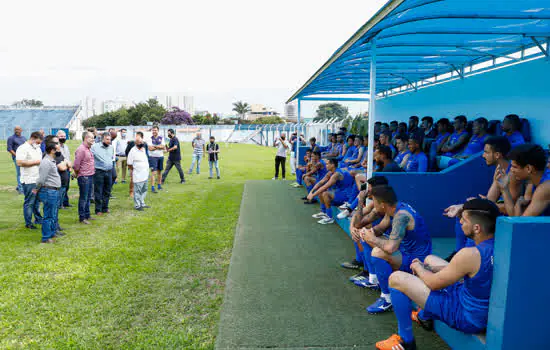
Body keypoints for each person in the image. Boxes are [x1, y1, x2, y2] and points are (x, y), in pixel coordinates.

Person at [375, 198, 498, 350]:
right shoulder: (497, 242)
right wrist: (427, 266)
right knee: (430, 259)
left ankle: (406, 342)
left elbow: (433, 283)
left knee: (396, 278)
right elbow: (465, 271)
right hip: (474, 301)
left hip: (466, 316)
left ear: (477, 228)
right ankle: (424, 316)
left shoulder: (470, 254)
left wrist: (418, 268)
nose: (460, 222)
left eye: (464, 220)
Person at [359, 185, 432, 314]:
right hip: (405, 250)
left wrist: (372, 238)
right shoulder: (393, 209)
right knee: (368, 238)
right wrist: (367, 233)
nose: (372, 204)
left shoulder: (401, 216)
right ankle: (374, 279)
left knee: (377, 252)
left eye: (374, 201)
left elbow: (391, 247)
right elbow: (380, 228)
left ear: (382, 204)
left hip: (417, 260)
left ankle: (387, 299)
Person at [443, 136, 516, 259]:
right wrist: (476, 203)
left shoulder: (512, 174)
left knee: (473, 217)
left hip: (506, 219)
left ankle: (466, 256)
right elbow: (490, 200)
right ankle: (459, 253)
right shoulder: (499, 170)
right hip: (497, 211)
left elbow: (510, 210)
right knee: (463, 212)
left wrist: (480, 203)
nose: (483, 155)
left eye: (486, 152)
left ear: (497, 154)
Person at [341, 176, 389, 290]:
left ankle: (370, 275)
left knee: (364, 232)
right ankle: (367, 271)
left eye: (369, 187)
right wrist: (352, 227)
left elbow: (362, 223)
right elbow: (356, 219)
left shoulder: (385, 204)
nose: (367, 190)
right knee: (360, 230)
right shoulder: (374, 202)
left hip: (394, 242)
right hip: (386, 238)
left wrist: (361, 200)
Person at [498, 143, 550, 216]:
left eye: (514, 167)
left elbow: (521, 223)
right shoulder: (532, 182)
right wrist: (504, 189)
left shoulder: (545, 188)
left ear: (529, 168)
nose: (511, 170)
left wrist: (518, 204)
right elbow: (515, 217)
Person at [307, 158, 357, 224]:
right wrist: (311, 191)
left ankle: (329, 217)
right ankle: (323, 212)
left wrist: (313, 195)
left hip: (346, 196)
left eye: (327, 164)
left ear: (332, 165)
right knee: (321, 192)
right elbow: (321, 182)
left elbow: (326, 186)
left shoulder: (337, 174)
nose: (326, 165)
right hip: (339, 193)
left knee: (325, 193)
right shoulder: (330, 172)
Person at [35, 142, 62, 244]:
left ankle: (51, 234)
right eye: (58, 150)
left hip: (53, 191)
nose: (59, 152)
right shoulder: (46, 162)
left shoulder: (51, 161)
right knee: (48, 215)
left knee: (52, 214)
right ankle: (46, 237)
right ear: (52, 151)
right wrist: (36, 189)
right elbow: (41, 179)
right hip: (49, 191)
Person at [16, 131, 44, 229]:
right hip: (29, 180)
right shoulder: (23, 148)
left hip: (37, 178)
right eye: (38, 142)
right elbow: (19, 162)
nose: (39, 144)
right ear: (32, 138)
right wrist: (36, 162)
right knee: (30, 202)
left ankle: (38, 219)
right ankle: (28, 223)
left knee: (37, 201)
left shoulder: (37, 148)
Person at [46, 135, 70, 234]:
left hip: (62, 184)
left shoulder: (58, 154)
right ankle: (53, 229)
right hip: (54, 186)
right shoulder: (50, 156)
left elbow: (69, 163)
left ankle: (56, 226)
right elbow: (62, 167)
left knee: (56, 208)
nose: (59, 144)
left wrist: (66, 163)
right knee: (53, 209)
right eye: (56, 143)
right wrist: (65, 164)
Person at [73, 131, 96, 225]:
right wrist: (78, 173)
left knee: (88, 197)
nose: (93, 139)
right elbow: (76, 165)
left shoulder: (88, 149)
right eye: (91, 137)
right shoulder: (81, 149)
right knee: (83, 197)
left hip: (90, 175)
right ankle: (82, 217)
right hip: (84, 177)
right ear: (86, 138)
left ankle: (87, 214)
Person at [91, 132, 113, 216]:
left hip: (109, 171)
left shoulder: (111, 148)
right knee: (98, 191)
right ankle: (98, 209)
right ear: (102, 139)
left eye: (110, 139)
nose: (109, 141)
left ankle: (105, 208)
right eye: (107, 139)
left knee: (107, 190)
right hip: (99, 171)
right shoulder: (95, 147)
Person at [127, 132, 150, 211]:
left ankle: (142, 203)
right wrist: (136, 169)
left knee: (144, 189)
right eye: (140, 142)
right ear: (136, 143)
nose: (141, 143)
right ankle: (137, 205)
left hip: (145, 174)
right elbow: (129, 164)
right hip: (138, 174)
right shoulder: (132, 151)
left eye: (142, 142)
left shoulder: (143, 149)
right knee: (137, 191)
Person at [7, 125, 26, 194]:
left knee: (24, 173)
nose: (17, 131)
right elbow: (9, 149)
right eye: (15, 129)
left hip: (25, 158)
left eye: (18, 129)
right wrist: (17, 156)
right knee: (19, 173)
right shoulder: (11, 138)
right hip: (17, 158)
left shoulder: (24, 138)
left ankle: (19, 187)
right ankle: (21, 190)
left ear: (21, 130)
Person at [57, 130, 72, 208]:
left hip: (67, 168)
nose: (63, 138)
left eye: (64, 136)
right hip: (61, 169)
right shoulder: (57, 147)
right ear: (57, 137)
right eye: (61, 136)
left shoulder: (65, 146)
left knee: (66, 186)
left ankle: (66, 202)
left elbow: (68, 157)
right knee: (61, 187)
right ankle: (60, 204)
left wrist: (70, 167)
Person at [148, 126, 165, 193]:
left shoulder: (161, 138)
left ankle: (159, 185)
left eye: (155, 130)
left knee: (159, 172)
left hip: (160, 156)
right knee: (153, 172)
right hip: (153, 157)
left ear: (158, 131)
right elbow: (150, 148)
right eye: (153, 130)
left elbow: (163, 147)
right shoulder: (150, 138)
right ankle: (152, 187)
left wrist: (155, 146)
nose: (154, 131)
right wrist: (159, 147)